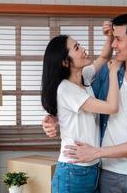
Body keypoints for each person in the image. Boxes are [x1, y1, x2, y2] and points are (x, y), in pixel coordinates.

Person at [43, 13, 127, 193]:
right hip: (103, 173)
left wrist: (96, 152)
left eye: (118, 39)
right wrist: (53, 117)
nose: (113, 44)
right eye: (113, 38)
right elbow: (76, 103)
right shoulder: (106, 74)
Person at [41, 21, 121, 193]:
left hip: (89, 168)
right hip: (73, 171)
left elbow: (104, 57)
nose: (83, 49)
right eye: (77, 48)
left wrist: (109, 37)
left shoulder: (83, 76)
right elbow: (112, 107)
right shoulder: (67, 89)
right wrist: (113, 72)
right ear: (65, 62)